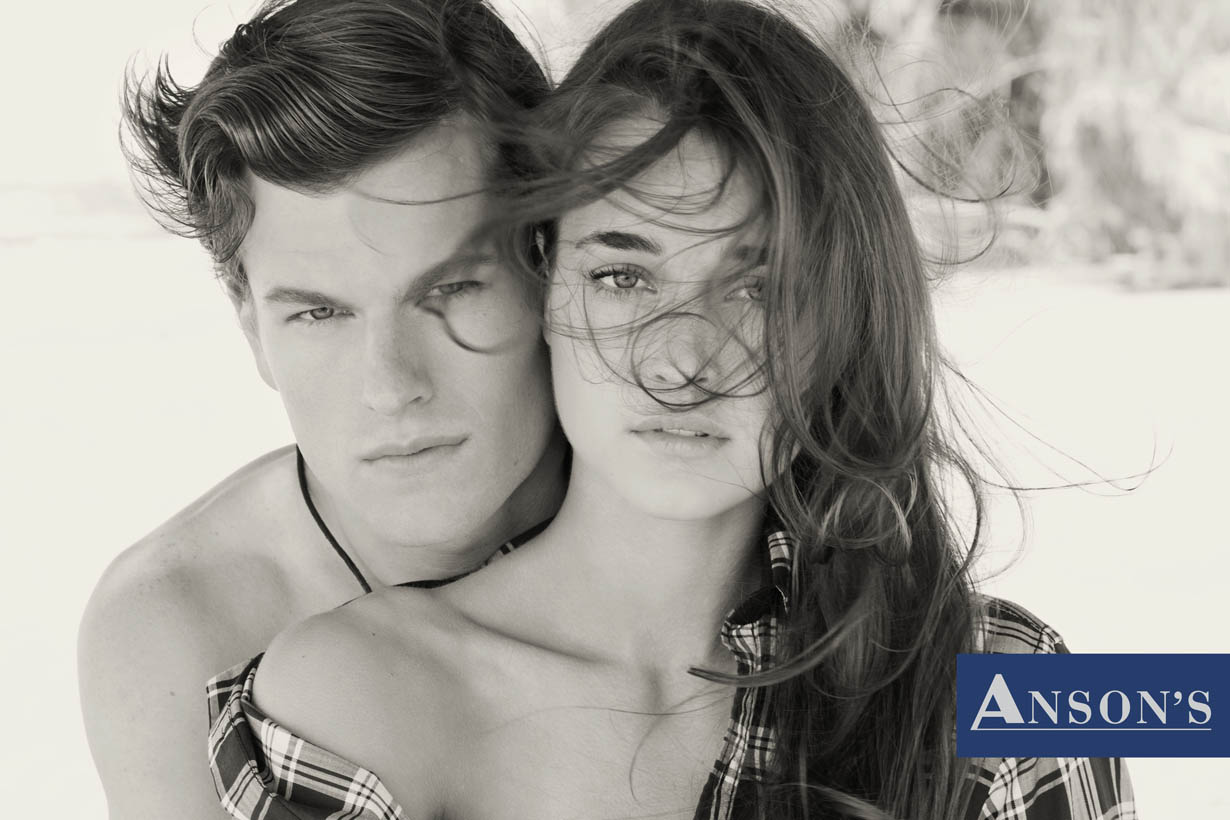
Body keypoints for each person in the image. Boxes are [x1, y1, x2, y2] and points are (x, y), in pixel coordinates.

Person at [207, 1, 1136, 818]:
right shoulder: (353, 698)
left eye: (759, 288)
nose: (684, 364)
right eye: (623, 276)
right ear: (541, 282)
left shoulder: (1014, 687)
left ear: (845, 316)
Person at [77, 2, 567, 818]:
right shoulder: (176, 629)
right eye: (320, 313)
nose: (391, 386)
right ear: (251, 326)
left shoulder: (722, 516)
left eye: (450, 290)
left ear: (549, 265)